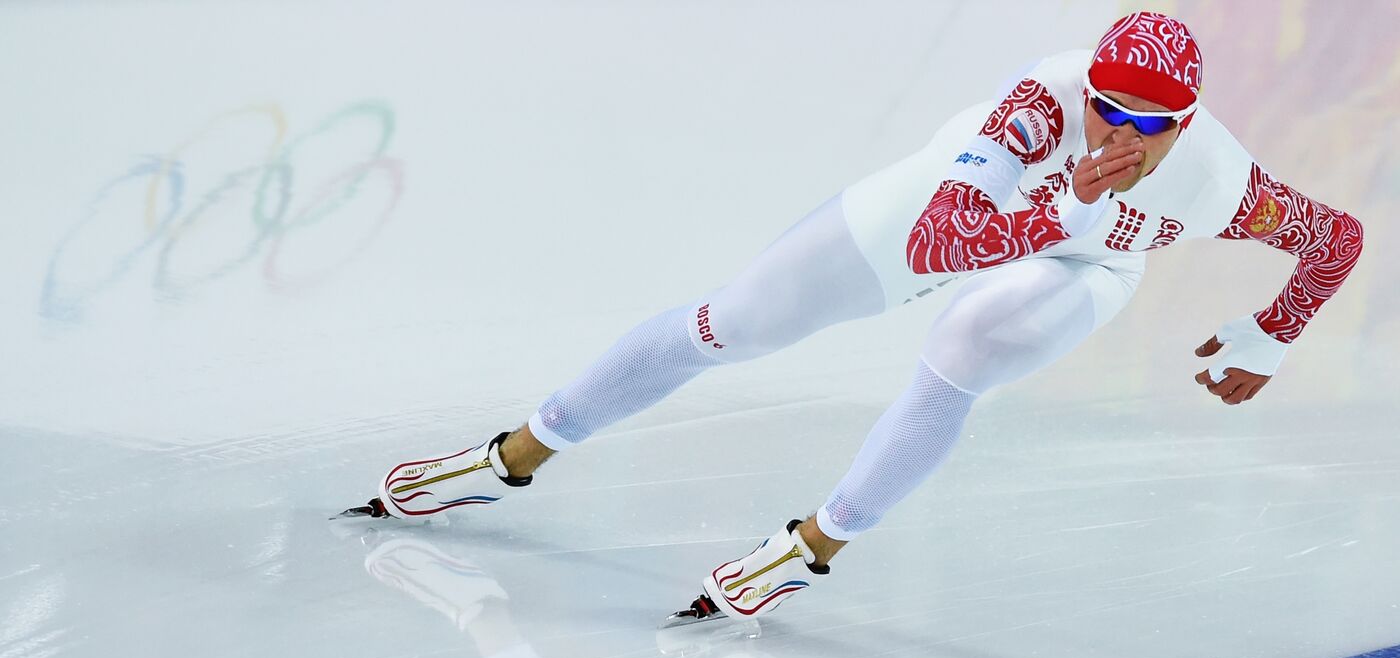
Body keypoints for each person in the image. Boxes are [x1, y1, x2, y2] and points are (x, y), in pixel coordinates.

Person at [350, 12, 1363, 625]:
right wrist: (1064, 203)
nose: (1119, 135)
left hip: (1088, 263)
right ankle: (509, 457)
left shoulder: (1220, 183)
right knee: (734, 323)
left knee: (967, 347)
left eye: (1149, 125)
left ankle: (809, 549)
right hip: (955, 203)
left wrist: (1274, 332)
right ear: (1085, 90)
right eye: (1108, 109)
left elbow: (1335, 240)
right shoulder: (1043, 106)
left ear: (1184, 123)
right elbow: (940, 239)